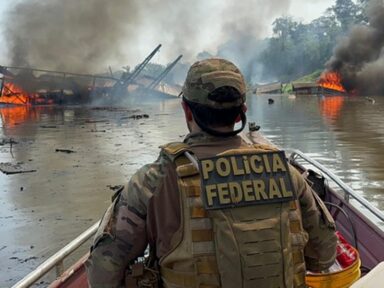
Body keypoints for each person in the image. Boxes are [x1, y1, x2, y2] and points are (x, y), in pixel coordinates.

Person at [86, 58, 337, 288]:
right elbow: (324, 255)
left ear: (186, 110)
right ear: (243, 111)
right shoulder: (285, 171)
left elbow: (102, 275)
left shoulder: (153, 181)